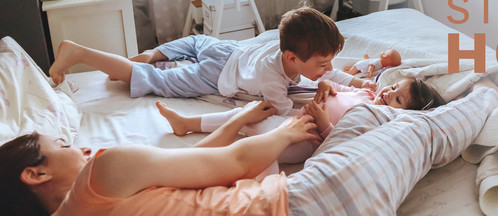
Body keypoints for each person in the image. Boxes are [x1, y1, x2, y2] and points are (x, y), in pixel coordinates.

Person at [0, 79, 498, 216]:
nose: (81, 146)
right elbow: (234, 163)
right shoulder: (103, 173)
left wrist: (241, 118)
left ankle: (411, 105)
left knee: (369, 115)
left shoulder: (97, 202)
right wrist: (282, 134)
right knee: (415, 133)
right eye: (64, 142)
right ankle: (492, 91)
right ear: (35, 173)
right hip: (303, 204)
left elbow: (189, 167)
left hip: (297, 191)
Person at [48, 6, 376, 116]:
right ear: (292, 57)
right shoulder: (273, 79)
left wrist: (358, 82)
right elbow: (288, 112)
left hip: (227, 49)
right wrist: (319, 106)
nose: (328, 69)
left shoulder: (288, 54)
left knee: (195, 41)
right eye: (323, 64)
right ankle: (80, 52)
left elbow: (323, 72)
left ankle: (160, 52)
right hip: (216, 74)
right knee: (152, 80)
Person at [155, 77, 444, 165]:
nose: (387, 94)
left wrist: (322, 123)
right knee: (252, 110)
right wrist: (326, 86)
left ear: (401, 113)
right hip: (297, 116)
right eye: (393, 87)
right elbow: (334, 85)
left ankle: (214, 157)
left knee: (252, 132)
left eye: (397, 99)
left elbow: (342, 141)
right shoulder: (367, 92)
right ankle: (187, 123)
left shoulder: (377, 119)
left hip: (308, 139)